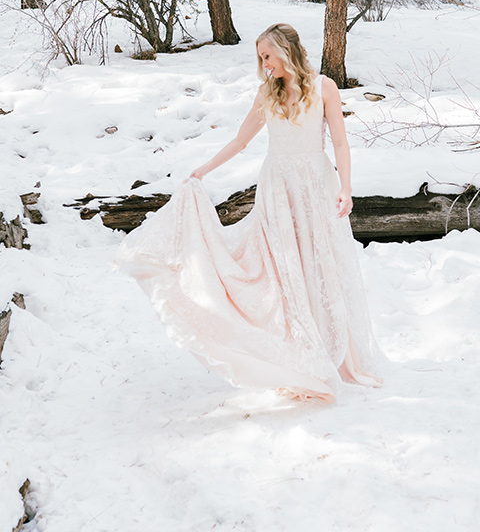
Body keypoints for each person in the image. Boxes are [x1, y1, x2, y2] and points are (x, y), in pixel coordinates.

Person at [117, 23, 382, 403]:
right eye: (260, 58)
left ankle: (334, 354)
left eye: (267, 56)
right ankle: (297, 355)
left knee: (320, 264)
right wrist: (203, 170)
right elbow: (241, 141)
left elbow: (340, 140)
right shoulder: (265, 94)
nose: (264, 64)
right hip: (277, 188)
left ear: (286, 51)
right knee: (283, 269)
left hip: (315, 185)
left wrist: (345, 187)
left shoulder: (324, 87)